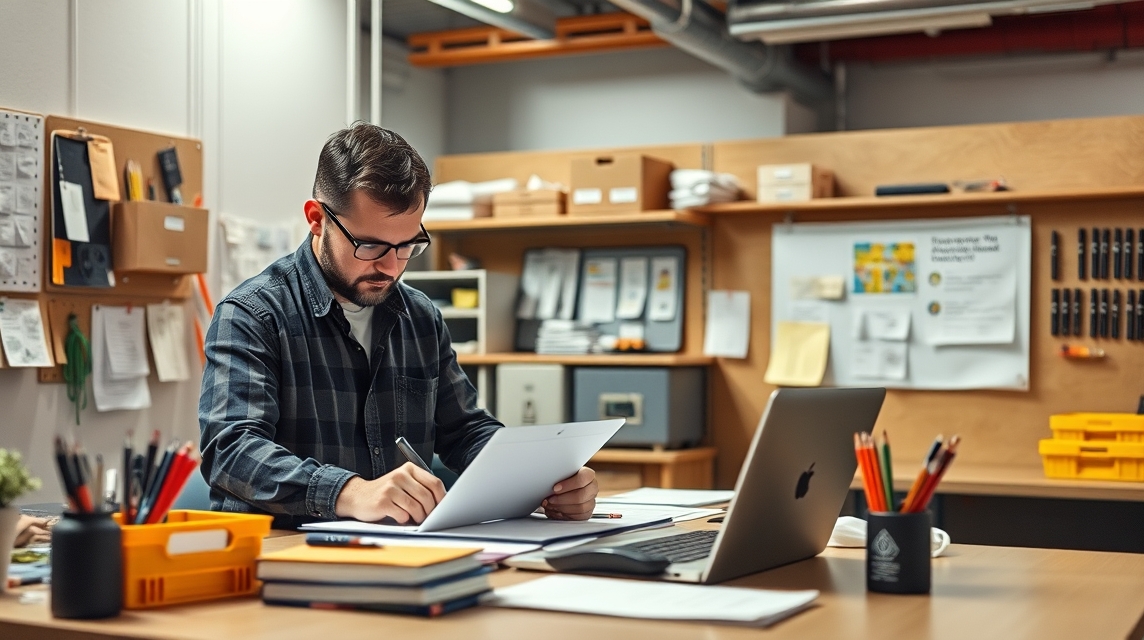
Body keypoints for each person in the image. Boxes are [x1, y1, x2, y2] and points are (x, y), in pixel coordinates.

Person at [199, 123, 598, 529]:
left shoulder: (419, 317)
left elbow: (464, 430)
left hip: (399, 553)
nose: (390, 267)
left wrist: (543, 481)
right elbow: (230, 451)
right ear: (317, 219)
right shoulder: (252, 314)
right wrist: (350, 492)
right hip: (281, 556)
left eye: (407, 245)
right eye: (369, 245)